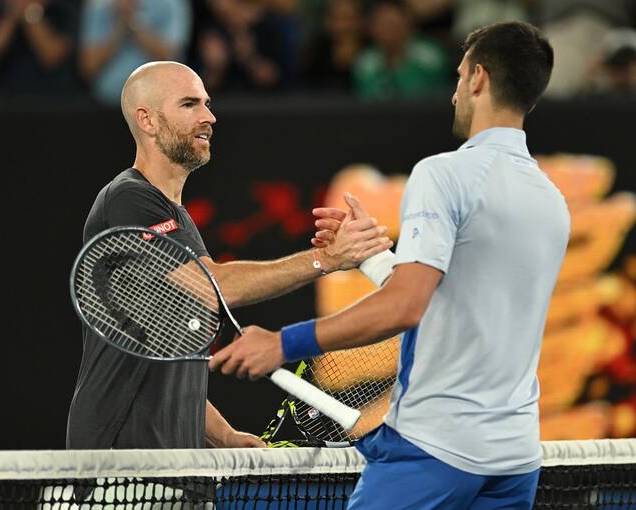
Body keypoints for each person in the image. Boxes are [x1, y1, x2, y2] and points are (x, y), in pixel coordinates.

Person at [210, 21, 570, 509]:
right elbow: (456, 307)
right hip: (514, 462)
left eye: (459, 76)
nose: (454, 95)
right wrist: (373, 257)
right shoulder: (551, 200)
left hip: (434, 451)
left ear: (479, 78)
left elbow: (405, 307)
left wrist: (281, 343)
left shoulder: (444, 174)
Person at [66, 61, 392, 450]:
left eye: (207, 103)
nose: (209, 117)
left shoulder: (176, 217)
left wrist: (225, 436)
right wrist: (327, 259)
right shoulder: (128, 199)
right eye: (189, 104)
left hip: (176, 466)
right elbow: (211, 286)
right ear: (147, 121)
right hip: (117, 460)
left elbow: (168, 367)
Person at [80, 0, 192, 105]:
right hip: (107, 103)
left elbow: (169, 59)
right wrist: (119, 25)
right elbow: (89, 67)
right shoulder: (99, 6)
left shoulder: (171, 4)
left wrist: (133, 20)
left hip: (158, 103)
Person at [0, 0, 80, 99]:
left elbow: (53, 56)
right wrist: (11, 18)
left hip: (53, 100)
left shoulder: (62, 12)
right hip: (5, 101)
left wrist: (30, 14)